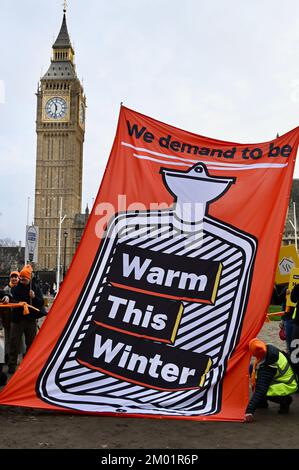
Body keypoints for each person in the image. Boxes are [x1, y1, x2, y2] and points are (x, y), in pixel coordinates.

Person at [244, 338, 298, 423]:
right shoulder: (269, 349)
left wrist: (249, 411)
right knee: (252, 368)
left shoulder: (268, 366)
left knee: (262, 391)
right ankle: (262, 403)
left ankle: (285, 400)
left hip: (287, 385)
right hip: (285, 379)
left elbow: (260, 390)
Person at [8, 265, 44, 374]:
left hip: (30, 320)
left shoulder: (35, 288)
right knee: (14, 342)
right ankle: (12, 364)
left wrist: (34, 297)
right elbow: (11, 298)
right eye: (21, 277)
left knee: (31, 343)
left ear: (29, 278)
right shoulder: (15, 288)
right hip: (17, 319)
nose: (23, 279)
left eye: (25, 277)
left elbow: (41, 303)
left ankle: (28, 365)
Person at [0, 271, 19, 365]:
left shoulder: (21, 288)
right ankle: (7, 356)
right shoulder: (6, 289)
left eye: (16, 277)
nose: (14, 279)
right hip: (6, 317)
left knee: (18, 339)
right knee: (7, 338)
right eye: (13, 277)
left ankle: (18, 356)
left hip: (18, 319)